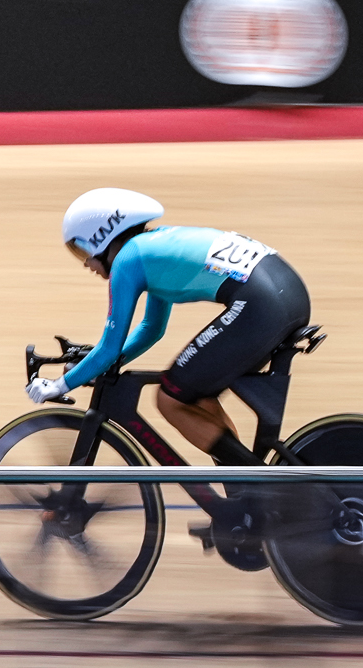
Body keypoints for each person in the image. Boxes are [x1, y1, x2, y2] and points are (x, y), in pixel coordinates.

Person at [28, 188, 310, 469]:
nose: (86, 263)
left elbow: (109, 347)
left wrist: (59, 385)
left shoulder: (128, 260)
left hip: (262, 305)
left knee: (169, 399)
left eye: (81, 250)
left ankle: (260, 488)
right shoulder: (151, 249)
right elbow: (151, 328)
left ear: (100, 237)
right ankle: (245, 499)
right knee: (195, 398)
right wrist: (104, 363)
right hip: (285, 294)